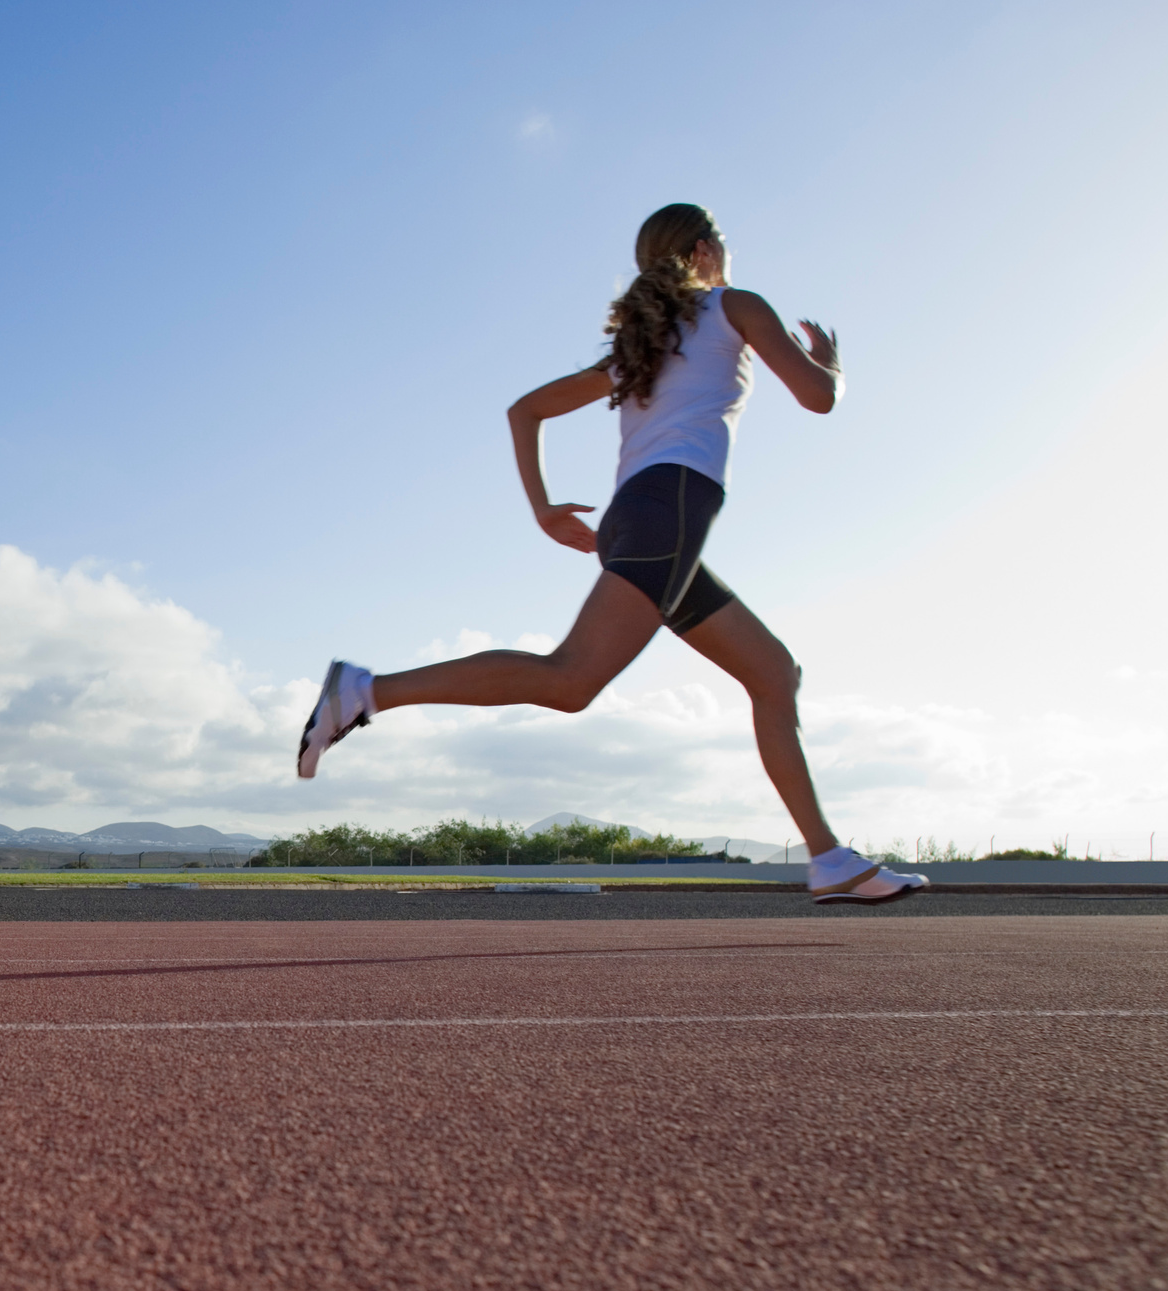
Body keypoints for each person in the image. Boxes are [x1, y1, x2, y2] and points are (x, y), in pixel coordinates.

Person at [295, 202, 926, 906]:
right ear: (702, 250)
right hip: (672, 512)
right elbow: (817, 399)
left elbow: (523, 410)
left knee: (773, 672)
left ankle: (827, 858)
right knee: (569, 681)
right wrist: (828, 364)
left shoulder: (641, 348)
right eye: (721, 243)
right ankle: (365, 691)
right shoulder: (734, 306)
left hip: (641, 517)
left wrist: (540, 508)